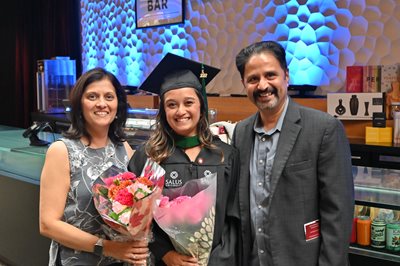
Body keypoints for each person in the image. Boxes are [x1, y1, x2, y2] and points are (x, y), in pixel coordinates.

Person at [232, 41, 354, 266]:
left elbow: (338, 212)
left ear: (286, 76)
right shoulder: (241, 132)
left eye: (270, 75)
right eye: (253, 79)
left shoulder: (323, 128)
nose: (262, 85)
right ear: (243, 84)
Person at [128, 53, 240, 266]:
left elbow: (235, 218)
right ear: (163, 111)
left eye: (189, 102)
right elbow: (137, 219)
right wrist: (166, 254)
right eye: (171, 105)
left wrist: (217, 260)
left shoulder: (225, 155)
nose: (181, 111)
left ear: (201, 106)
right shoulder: (148, 157)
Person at [39, 67, 148, 266]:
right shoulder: (62, 151)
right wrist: (107, 247)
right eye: (92, 96)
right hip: (78, 260)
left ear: (118, 104)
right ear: (79, 104)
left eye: (109, 96)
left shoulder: (123, 148)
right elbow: (48, 225)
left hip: (120, 260)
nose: (101, 104)